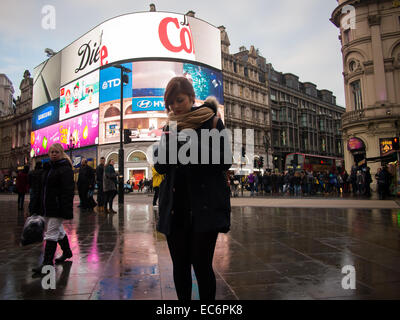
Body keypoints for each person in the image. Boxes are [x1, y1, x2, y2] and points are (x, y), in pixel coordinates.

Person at [154, 77, 231, 301]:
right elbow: (160, 165)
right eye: (170, 103)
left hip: (204, 206)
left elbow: (225, 160)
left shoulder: (212, 121)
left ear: (191, 97)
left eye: (179, 100)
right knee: (180, 266)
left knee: (201, 264)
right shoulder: (170, 126)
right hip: (175, 207)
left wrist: (190, 146)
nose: (175, 107)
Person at [32, 143, 74, 273]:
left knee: (51, 233)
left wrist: (65, 209)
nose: (54, 154)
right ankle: (66, 252)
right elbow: (41, 189)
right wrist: (36, 205)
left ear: (61, 153)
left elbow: (68, 191)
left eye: (56, 152)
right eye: (52, 152)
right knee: (58, 230)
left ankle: (47, 264)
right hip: (47, 206)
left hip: (57, 207)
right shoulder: (48, 168)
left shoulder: (65, 169)